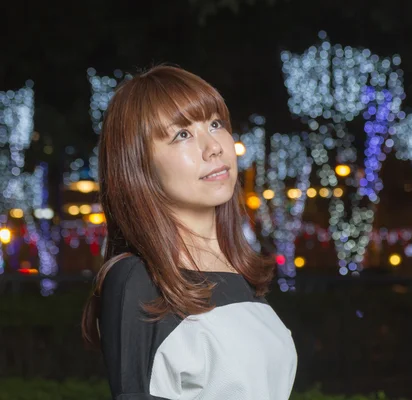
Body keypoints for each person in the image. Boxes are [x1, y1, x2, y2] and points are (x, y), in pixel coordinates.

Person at [81, 65, 298, 399]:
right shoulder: (139, 280)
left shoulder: (238, 273)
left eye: (215, 124)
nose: (214, 147)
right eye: (182, 134)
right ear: (139, 164)